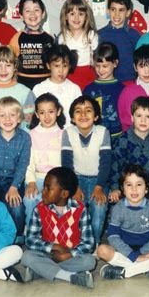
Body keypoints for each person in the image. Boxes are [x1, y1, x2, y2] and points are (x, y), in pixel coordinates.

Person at [21, 167, 96, 289]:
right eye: (44, 187)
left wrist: (69, 254)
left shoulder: (80, 209)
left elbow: (89, 243)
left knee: (89, 261)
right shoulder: (39, 209)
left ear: (64, 194)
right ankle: (68, 276)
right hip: (47, 254)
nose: (42, 191)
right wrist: (53, 247)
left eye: (48, 188)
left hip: (70, 256)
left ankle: (41, 271)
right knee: (26, 257)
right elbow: (30, 239)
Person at [97, 164, 149, 281]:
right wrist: (133, 256)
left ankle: (124, 272)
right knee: (102, 250)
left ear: (146, 189)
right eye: (129, 185)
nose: (134, 189)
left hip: (147, 250)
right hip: (124, 251)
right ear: (122, 189)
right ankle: (148, 268)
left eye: (139, 184)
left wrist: (140, 254)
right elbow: (113, 237)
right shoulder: (118, 208)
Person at [111, 97, 149, 223]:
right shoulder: (123, 139)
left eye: (148, 116)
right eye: (139, 116)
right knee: (123, 212)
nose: (143, 120)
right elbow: (116, 165)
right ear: (132, 118)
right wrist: (115, 187)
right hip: (130, 184)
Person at [61, 95, 112, 245]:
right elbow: (66, 164)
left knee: (99, 206)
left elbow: (105, 163)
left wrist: (99, 187)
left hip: (99, 179)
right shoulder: (68, 133)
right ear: (72, 118)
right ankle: (77, 241)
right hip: (76, 179)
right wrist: (74, 187)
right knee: (74, 206)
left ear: (96, 116)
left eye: (88, 111)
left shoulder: (103, 132)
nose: (83, 115)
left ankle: (94, 243)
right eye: (78, 111)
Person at [0, 96, 31, 241]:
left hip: (14, 181)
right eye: (2, 115)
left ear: (19, 118)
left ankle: (18, 236)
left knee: (16, 207)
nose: (7, 119)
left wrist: (14, 186)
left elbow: (23, 164)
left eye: (12, 115)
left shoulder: (25, 137)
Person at [24, 93, 66, 227]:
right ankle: (31, 230)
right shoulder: (31, 135)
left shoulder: (63, 135)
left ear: (58, 111)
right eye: (42, 112)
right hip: (36, 178)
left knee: (57, 199)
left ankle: (54, 231)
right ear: (36, 114)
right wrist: (31, 182)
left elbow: (66, 164)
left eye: (51, 112)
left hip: (56, 180)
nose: (47, 117)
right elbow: (28, 162)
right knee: (30, 199)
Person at [83, 42, 124, 150]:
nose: (100, 70)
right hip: (95, 138)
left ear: (115, 63)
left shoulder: (122, 89)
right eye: (97, 66)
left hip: (117, 138)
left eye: (105, 66)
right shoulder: (88, 89)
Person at [9, 0, 54, 89]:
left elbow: (54, 63)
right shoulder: (17, 38)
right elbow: (11, 63)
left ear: (43, 14)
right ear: (21, 16)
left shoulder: (49, 39)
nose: (32, 14)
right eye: (27, 11)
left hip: (45, 83)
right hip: (22, 84)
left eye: (36, 10)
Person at [32, 44, 81, 126]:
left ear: (69, 66)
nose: (61, 71)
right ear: (48, 66)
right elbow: (34, 115)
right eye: (57, 66)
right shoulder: (39, 88)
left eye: (65, 66)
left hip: (69, 134)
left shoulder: (74, 89)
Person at [98, 0, 141, 84]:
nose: (117, 14)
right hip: (106, 81)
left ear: (128, 12)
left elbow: (140, 60)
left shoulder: (134, 35)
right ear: (108, 11)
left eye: (121, 10)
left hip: (128, 82)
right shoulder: (99, 35)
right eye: (113, 9)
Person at [57, 0, 98, 90]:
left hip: (89, 75)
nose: (76, 17)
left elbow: (97, 59)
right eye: (72, 14)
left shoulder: (91, 35)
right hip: (69, 75)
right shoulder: (62, 37)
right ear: (66, 16)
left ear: (86, 16)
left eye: (80, 14)